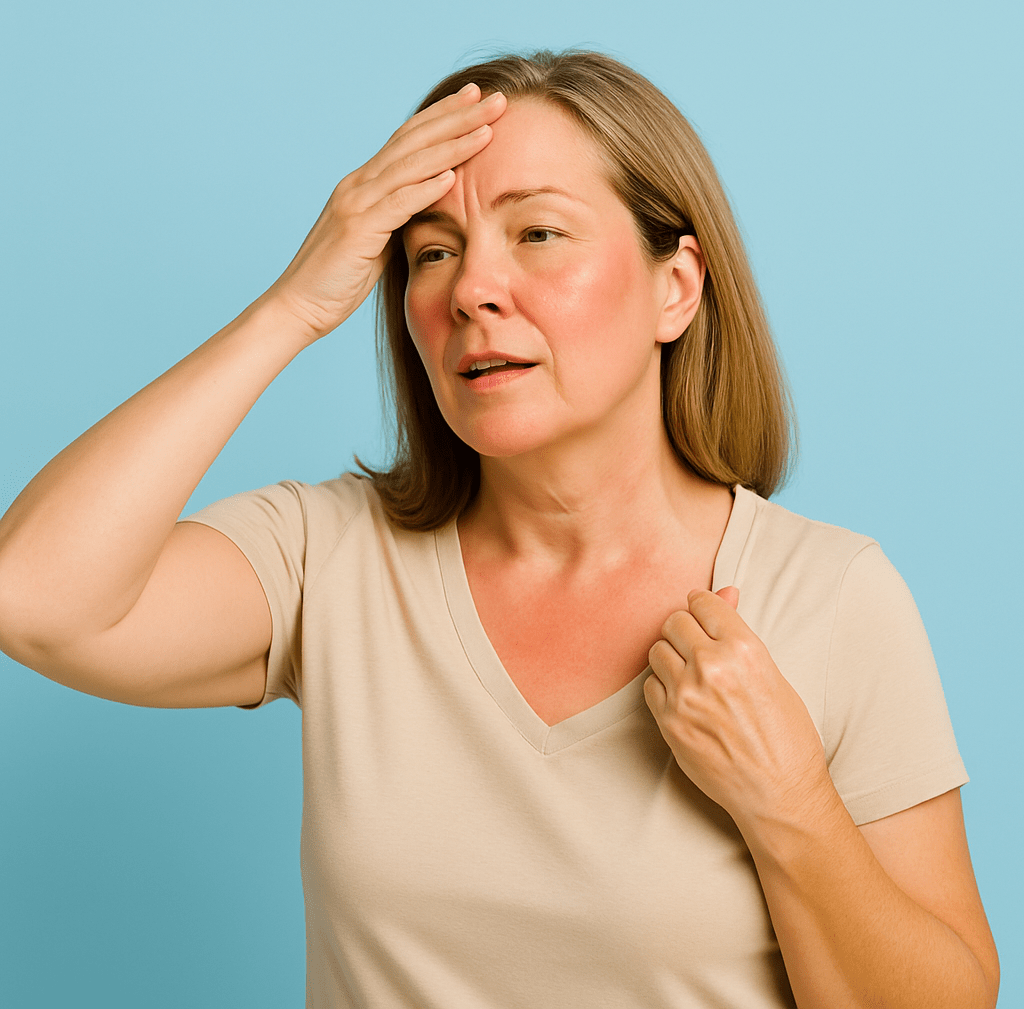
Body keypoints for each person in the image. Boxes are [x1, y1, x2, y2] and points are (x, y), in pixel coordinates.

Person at [0, 49, 999, 1008]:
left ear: (675, 287)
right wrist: (294, 306)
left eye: (537, 234)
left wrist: (792, 803)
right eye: (431, 251)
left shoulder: (829, 595)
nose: (469, 288)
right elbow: (33, 596)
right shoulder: (330, 560)